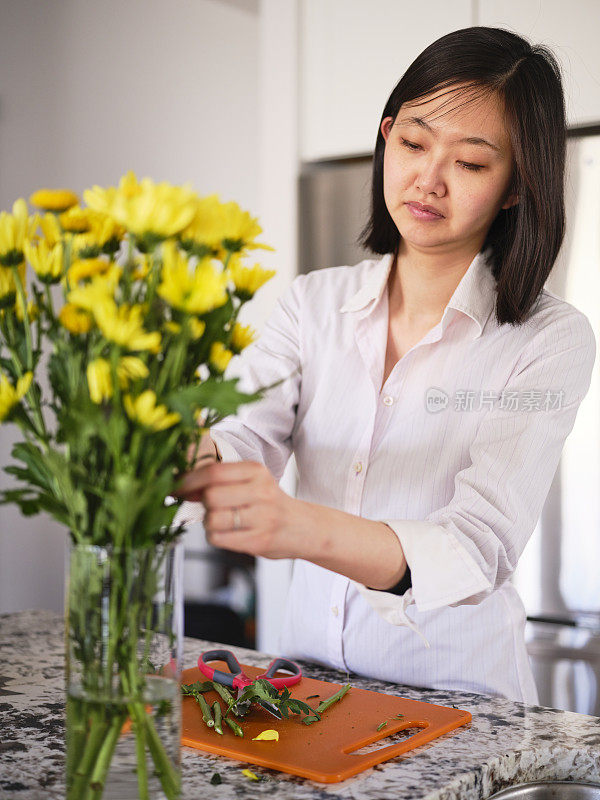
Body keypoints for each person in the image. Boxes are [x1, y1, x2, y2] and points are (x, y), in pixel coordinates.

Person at [174, 26, 596, 703]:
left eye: (471, 163)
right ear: (386, 134)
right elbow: (241, 437)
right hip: (302, 688)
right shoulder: (313, 305)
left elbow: (473, 550)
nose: (428, 179)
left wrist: (298, 525)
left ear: (516, 188)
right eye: (413, 142)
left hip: (461, 704)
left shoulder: (549, 340)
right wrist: (169, 451)